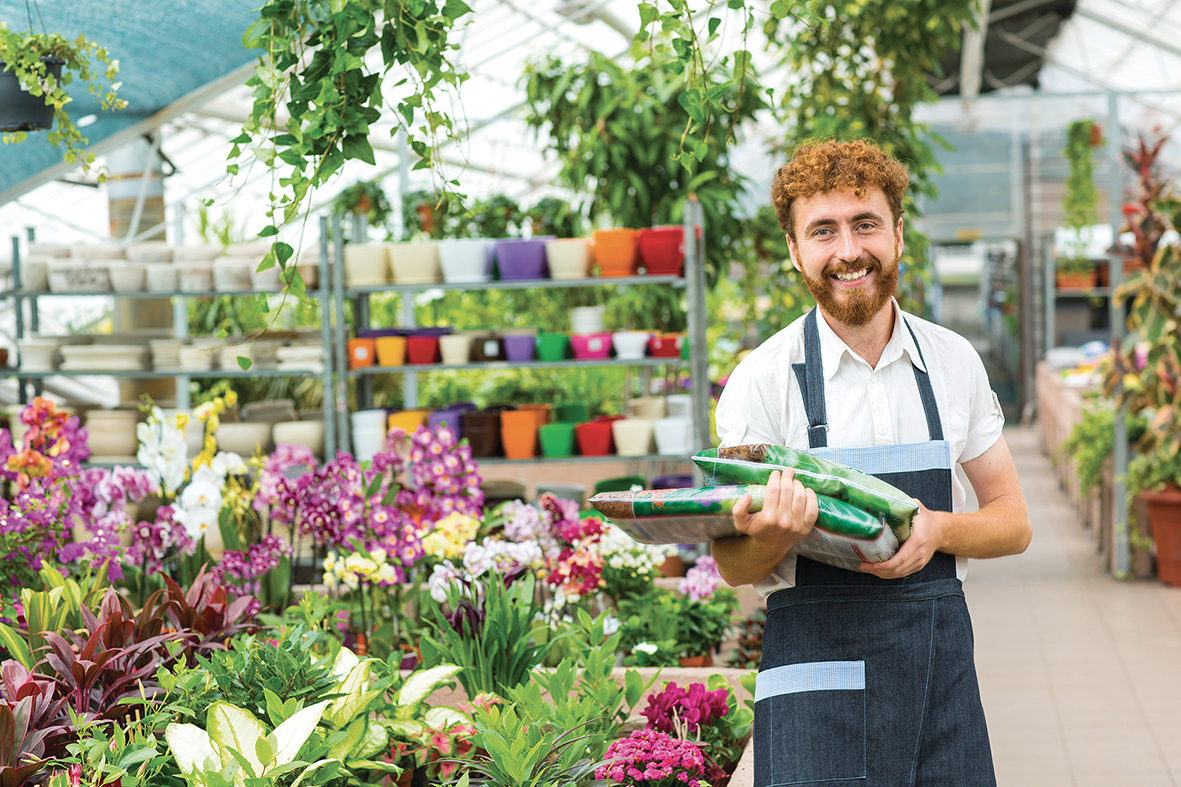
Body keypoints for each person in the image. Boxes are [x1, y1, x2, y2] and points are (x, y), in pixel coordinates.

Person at [712, 138, 1031, 787]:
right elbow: (732, 565)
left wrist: (937, 530)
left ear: (897, 234)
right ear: (794, 249)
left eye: (865, 224)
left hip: (937, 680)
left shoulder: (951, 362)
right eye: (822, 231)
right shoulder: (761, 381)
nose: (848, 250)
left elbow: (1014, 522)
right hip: (814, 689)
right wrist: (772, 535)